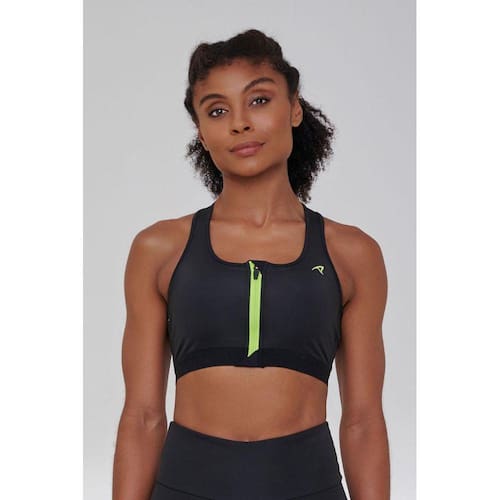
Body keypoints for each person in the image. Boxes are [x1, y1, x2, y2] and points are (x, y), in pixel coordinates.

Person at [112, 29, 390, 500]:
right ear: (201, 132)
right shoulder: (159, 249)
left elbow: (363, 420)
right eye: (217, 111)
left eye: (258, 101)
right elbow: (142, 416)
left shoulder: (352, 254)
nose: (239, 123)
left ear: (295, 108)